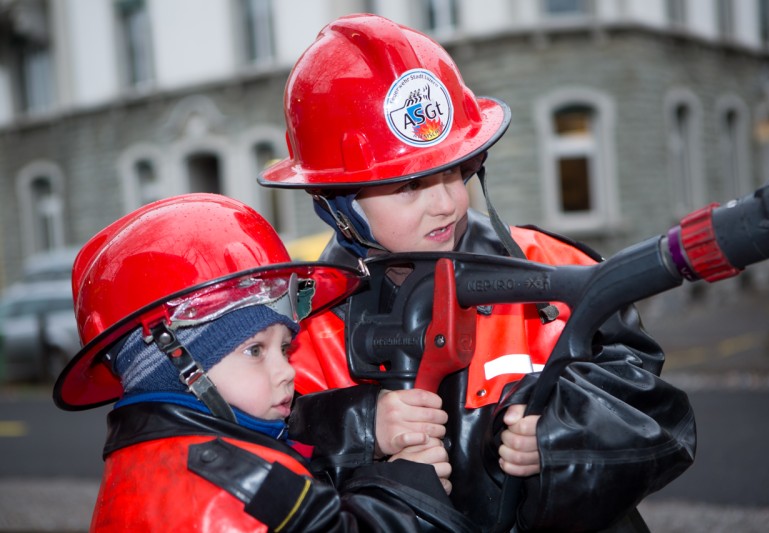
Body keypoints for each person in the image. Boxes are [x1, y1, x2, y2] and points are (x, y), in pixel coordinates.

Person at [258, 13, 696, 532]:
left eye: (454, 171)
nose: (445, 202)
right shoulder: (294, 333)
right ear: (335, 202)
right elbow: (264, 477)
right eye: (408, 187)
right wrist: (357, 427)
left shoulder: (553, 269)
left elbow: (659, 417)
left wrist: (568, 438)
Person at [53, 193, 476, 532]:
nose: (286, 371)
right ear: (173, 363)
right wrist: (404, 492)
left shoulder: (156, 459)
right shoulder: (234, 488)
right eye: (255, 350)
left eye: (285, 348)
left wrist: (365, 425)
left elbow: (288, 445)